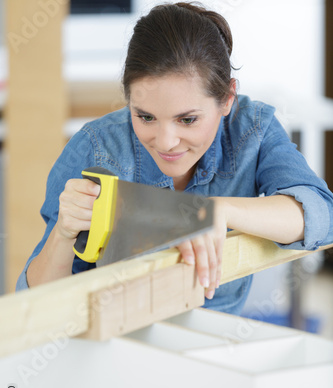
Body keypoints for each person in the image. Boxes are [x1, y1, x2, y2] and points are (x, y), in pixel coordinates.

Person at [16, 2, 333, 315]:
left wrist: (212, 211)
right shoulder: (96, 147)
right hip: (113, 349)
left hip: (209, 348)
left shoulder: (252, 129)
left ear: (227, 99)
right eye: (146, 117)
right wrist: (63, 234)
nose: (166, 142)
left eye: (188, 120)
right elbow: (38, 307)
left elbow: (322, 215)